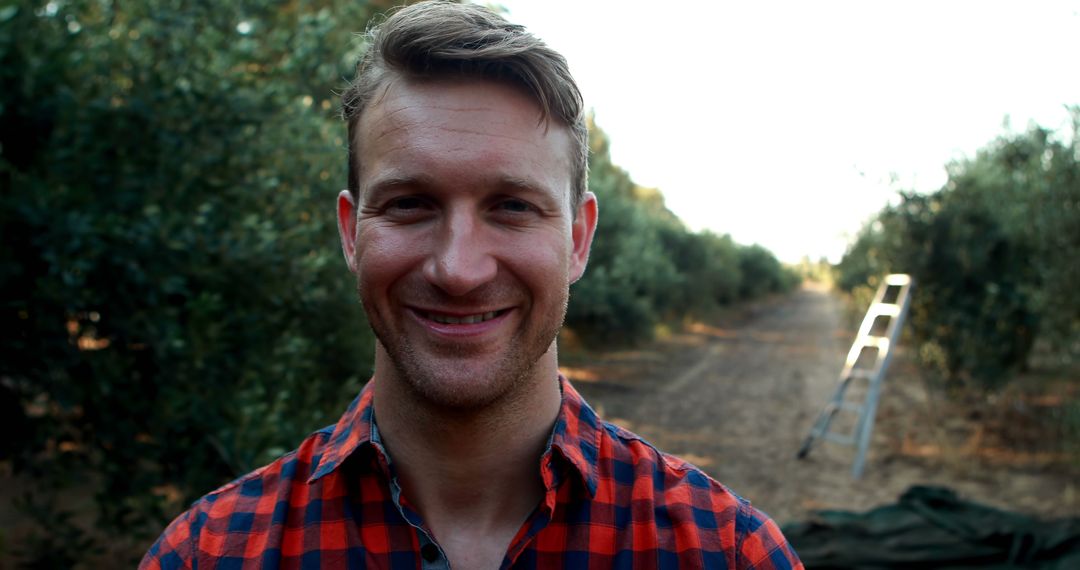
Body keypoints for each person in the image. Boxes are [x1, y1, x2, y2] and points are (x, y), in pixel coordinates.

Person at [140, 2, 803, 568]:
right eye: (410, 204)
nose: (459, 270)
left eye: (512, 206)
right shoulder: (211, 554)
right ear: (351, 232)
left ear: (578, 237)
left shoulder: (725, 552)